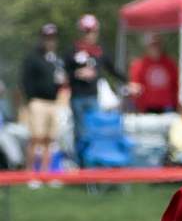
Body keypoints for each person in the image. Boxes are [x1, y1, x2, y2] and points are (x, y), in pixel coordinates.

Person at [64, 14, 125, 166]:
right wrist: (76, 74)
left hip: (93, 97)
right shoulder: (72, 50)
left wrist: (127, 81)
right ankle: (81, 165)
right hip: (78, 97)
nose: (89, 35)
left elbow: (112, 69)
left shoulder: (99, 51)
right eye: (86, 31)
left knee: (94, 132)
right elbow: (62, 73)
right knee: (80, 132)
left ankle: (95, 164)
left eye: (92, 31)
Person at [20, 23, 67, 184]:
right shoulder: (33, 58)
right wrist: (30, 99)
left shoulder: (57, 59)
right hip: (38, 102)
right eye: (47, 38)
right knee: (36, 138)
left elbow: (61, 80)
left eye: (52, 38)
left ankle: (46, 174)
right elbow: (25, 80)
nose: (50, 41)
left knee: (49, 139)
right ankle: (30, 174)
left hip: (53, 102)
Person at [128, 33, 178, 113]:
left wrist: (177, 104)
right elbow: (134, 87)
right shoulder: (139, 65)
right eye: (153, 45)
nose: (155, 48)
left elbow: (176, 86)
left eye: (157, 45)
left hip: (167, 107)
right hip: (146, 107)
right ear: (147, 47)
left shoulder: (170, 64)